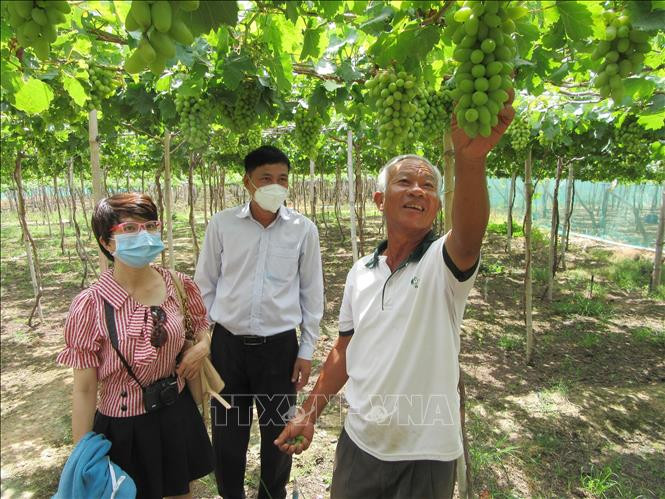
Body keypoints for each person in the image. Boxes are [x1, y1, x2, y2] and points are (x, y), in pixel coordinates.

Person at [274, 93, 516, 498]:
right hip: (361, 442)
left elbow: (469, 236)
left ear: (437, 205)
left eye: (429, 186)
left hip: (427, 453)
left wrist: (471, 161)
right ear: (380, 200)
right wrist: (310, 413)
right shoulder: (360, 272)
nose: (418, 191)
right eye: (405, 182)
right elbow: (345, 349)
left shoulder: (442, 263)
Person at [57, 193, 214, 499]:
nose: (143, 235)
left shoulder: (179, 285)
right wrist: (82, 459)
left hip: (175, 411)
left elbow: (200, 327)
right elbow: (85, 389)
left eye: (150, 226)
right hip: (124, 426)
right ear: (106, 242)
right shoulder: (91, 305)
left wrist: (203, 346)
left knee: (181, 493)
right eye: (129, 228)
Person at [194, 145, 324, 499]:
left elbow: (312, 294)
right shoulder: (222, 225)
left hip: (279, 349)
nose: (275, 186)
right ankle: (230, 494)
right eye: (266, 178)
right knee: (227, 433)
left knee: (279, 433)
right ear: (247, 182)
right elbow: (205, 285)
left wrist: (306, 349)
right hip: (228, 346)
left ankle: (272, 493)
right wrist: (204, 340)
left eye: (282, 179)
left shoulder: (303, 230)